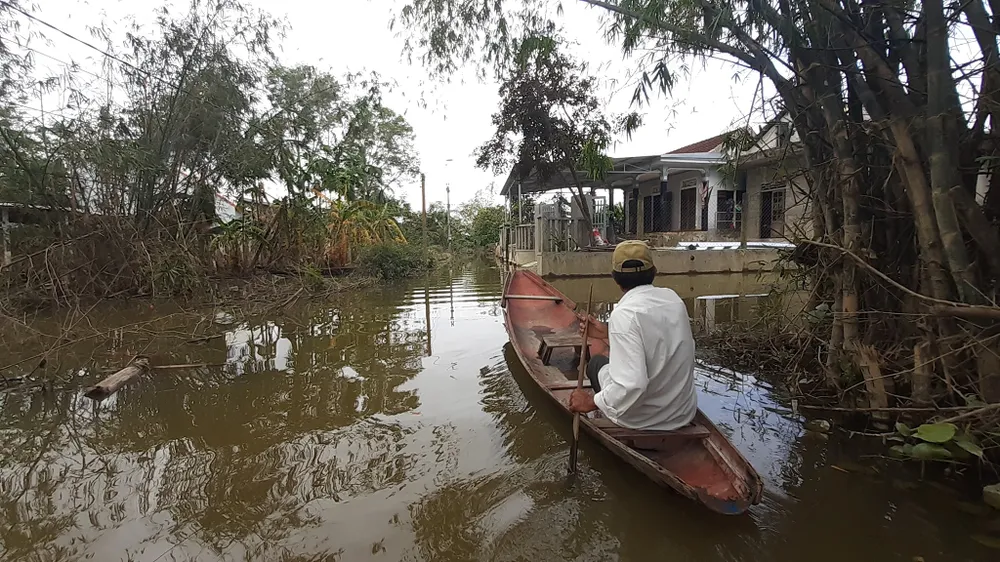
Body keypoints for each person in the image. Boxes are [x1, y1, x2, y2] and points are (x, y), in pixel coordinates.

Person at [568, 240, 697, 431]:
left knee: (596, 363)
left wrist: (592, 402)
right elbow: (652, 340)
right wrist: (607, 330)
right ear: (654, 272)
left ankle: (607, 411)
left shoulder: (624, 314)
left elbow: (633, 385)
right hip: (683, 414)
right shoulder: (674, 300)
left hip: (642, 421)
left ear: (616, 279)